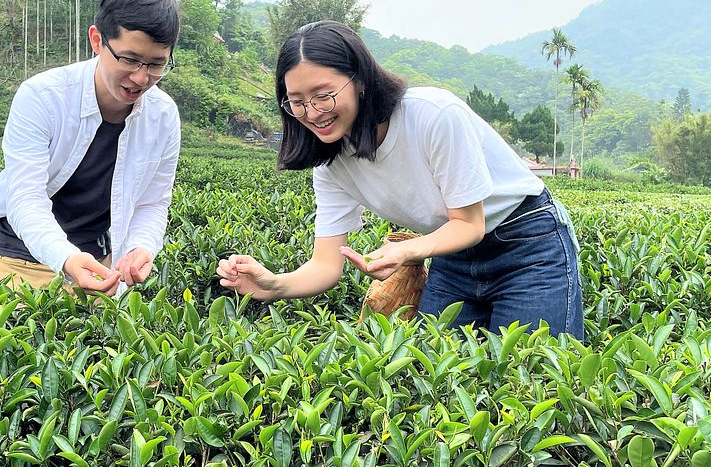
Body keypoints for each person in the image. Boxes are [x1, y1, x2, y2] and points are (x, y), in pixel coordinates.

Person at [216, 20, 583, 337]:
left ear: (359, 81)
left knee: (532, 377)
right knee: (439, 379)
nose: (312, 113)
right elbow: (326, 265)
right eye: (296, 101)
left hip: (527, 242)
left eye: (323, 95)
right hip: (451, 254)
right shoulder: (330, 163)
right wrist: (274, 284)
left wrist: (407, 250)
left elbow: (469, 224)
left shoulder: (433, 115)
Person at [0, 0, 181, 295]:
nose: (141, 77)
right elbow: (25, 197)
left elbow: (152, 202)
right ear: (97, 40)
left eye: (157, 64)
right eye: (129, 59)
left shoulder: (163, 115)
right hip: (18, 261)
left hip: (99, 267)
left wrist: (142, 247)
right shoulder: (43, 97)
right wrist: (66, 258)